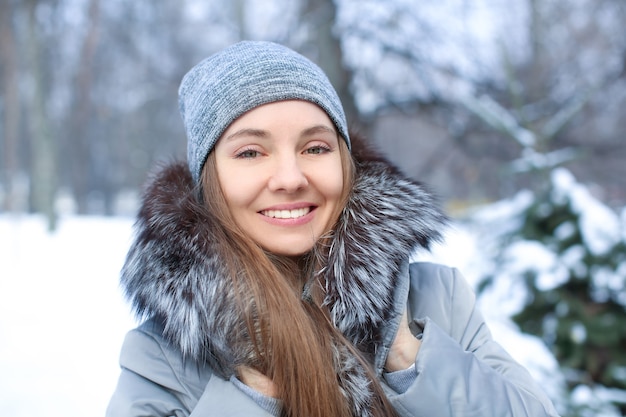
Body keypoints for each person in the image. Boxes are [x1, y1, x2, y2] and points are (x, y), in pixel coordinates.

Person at [106, 41, 559, 417]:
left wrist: (408, 355)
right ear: (210, 182)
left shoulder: (440, 301)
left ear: (345, 164)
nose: (290, 177)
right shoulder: (164, 358)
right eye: (250, 153)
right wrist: (253, 394)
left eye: (315, 147)